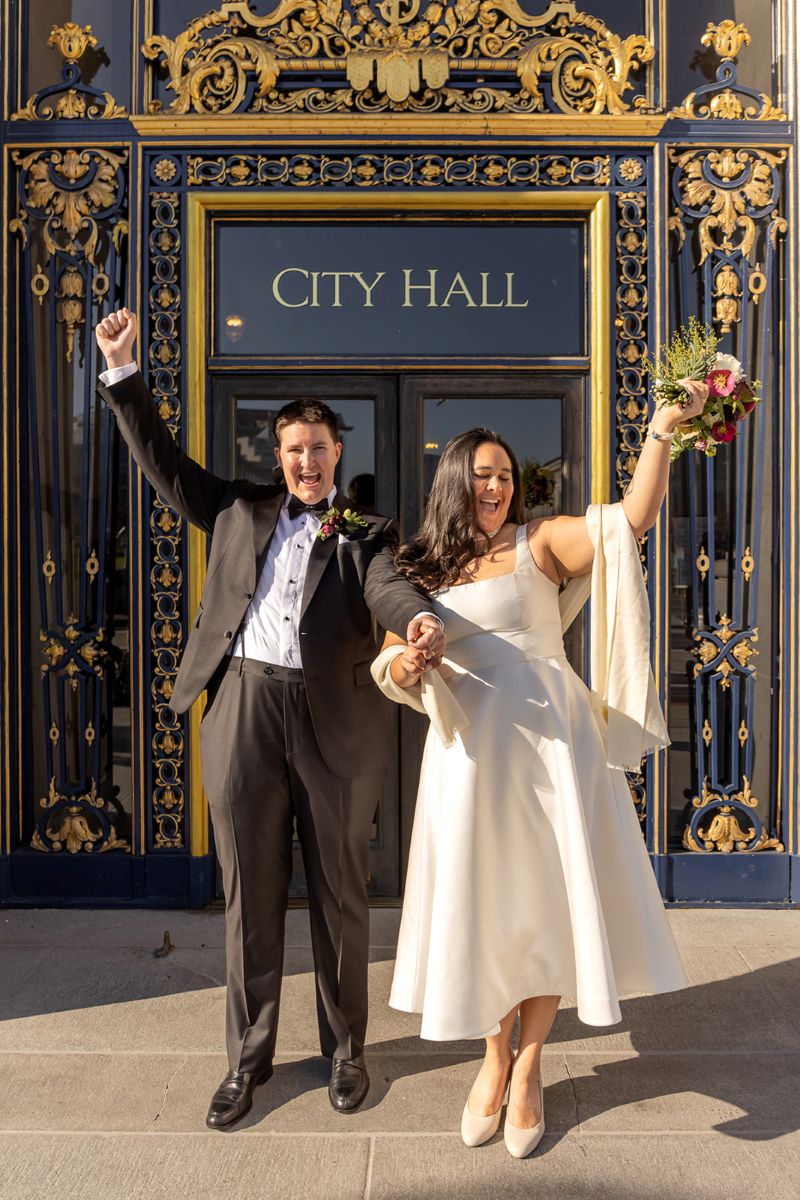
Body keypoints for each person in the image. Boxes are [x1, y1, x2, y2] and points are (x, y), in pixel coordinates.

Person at [94, 308, 444, 1128]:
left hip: (335, 726)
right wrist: (122, 373)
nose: (308, 460)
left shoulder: (367, 532)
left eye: (320, 449)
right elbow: (162, 461)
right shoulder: (237, 509)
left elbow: (388, 587)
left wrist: (418, 617)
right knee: (249, 896)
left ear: (337, 455)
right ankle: (245, 1064)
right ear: (278, 456)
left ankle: (347, 1052)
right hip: (247, 705)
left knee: (340, 896)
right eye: (294, 449)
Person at [372, 382, 707, 1158]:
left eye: (505, 475)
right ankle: (490, 1059)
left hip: (553, 748)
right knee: (483, 904)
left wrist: (661, 430)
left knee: (550, 901)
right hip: (467, 756)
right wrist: (411, 665)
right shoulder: (419, 567)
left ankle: (529, 1068)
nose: (496, 487)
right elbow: (386, 662)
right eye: (483, 474)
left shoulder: (542, 540)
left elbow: (631, 521)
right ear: (456, 481)